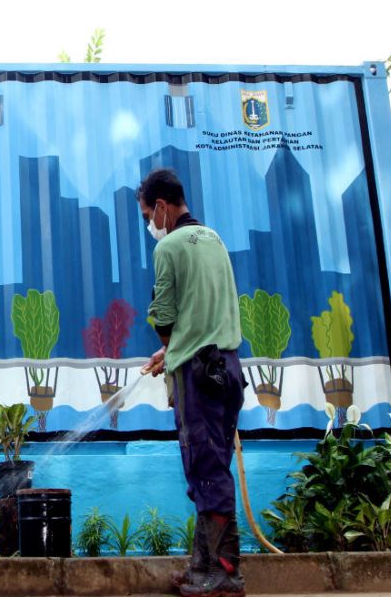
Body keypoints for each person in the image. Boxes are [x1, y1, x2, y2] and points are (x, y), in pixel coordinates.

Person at [137, 168, 246, 597]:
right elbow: (210, 313)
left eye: (148, 213)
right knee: (211, 465)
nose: (150, 223)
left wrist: (171, 346)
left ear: (162, 207)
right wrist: (174, 350)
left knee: (205, 468)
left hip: (198, 376)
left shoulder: (169, 247)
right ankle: (203, 567)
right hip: (228, 368)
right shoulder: (215, 240)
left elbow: (164, 316)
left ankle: (223, 574)